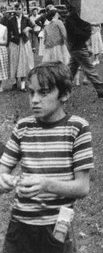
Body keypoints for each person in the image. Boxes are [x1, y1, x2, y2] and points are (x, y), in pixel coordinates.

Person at [0, 61, 93, 253]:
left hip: (55, 230)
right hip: (19, 227)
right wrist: (4, 181)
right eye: (31, 92)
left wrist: (46, 184)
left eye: (43, 92)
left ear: (64, 94)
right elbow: (1, 172)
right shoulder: (23, 127)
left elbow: (82, 187)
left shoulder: (77, 128)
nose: (34, 99)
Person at [65, 5, 103, 99]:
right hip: (78, 47)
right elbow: (82, 33)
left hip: (76, 48)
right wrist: (86, 33)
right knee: (89, 69)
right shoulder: (74, 19)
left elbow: (83, 32)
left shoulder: (73, 18)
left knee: (71, 71)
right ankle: (101, 91)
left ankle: (60, 90)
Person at [7, 4, 34, 92]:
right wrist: (11, 39)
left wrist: (28, 29)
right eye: (16, 9)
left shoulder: (26, 19)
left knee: (23, 62)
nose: (18, 11)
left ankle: (23, 85)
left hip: (24, 41)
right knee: (14, 62)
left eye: (19, 9)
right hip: (15, 43)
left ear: (23, 9)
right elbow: (8, 33)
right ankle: (15, 81)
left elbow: (33, 28)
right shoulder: (11, 20)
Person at [0, 13, 8, 93]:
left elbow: (5, 41)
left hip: (1, 49)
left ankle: (0, 86)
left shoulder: (4, 28)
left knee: (1, 68)